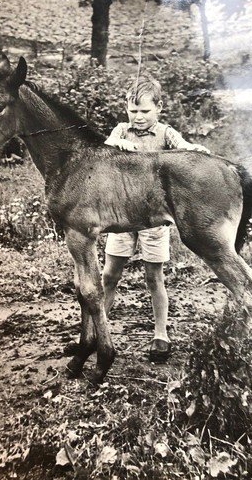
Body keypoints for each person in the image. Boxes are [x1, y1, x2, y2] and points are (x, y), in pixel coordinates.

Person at [103, 75, 210, 362]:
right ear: (126, 109)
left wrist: (195, 150)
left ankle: (160, 334)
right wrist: (118, 144)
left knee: (154, 277)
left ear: (159, 108)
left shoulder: (165, 133)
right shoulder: (121, 131)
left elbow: (184, 146)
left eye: (145, 111)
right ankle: (96, 332)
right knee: (110, 275)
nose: (138, 117)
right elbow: (107, 143)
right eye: (133, 110)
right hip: (121, 216)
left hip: (154, 218)